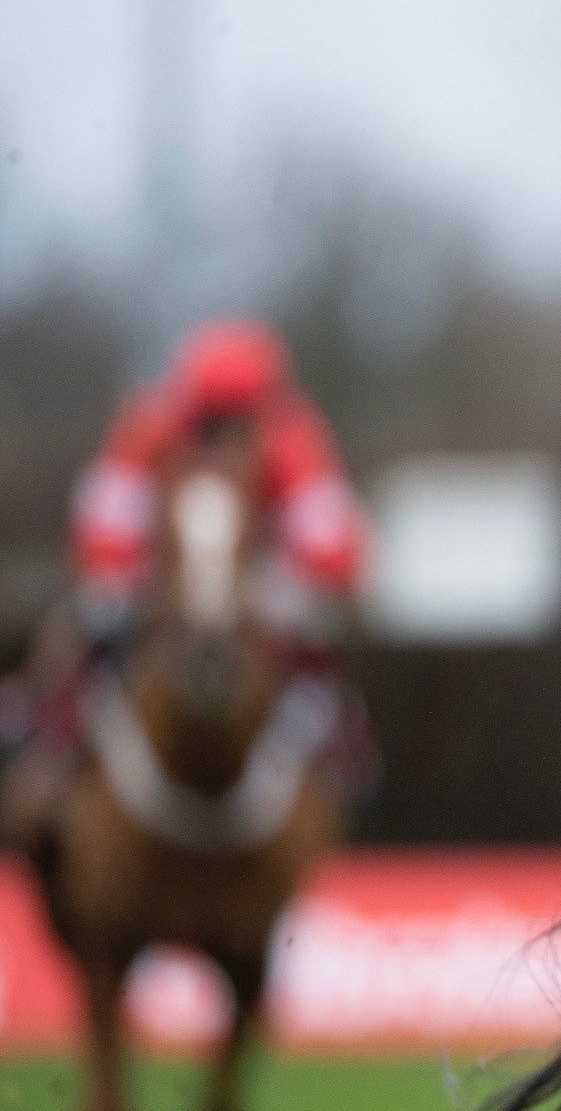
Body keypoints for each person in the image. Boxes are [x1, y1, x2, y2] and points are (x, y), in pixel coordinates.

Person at [1, 319, 367, 807]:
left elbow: (330, 540)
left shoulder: (296, 439)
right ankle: (49, 735)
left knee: (316, 643)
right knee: (82, 628)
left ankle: (334, 743)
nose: (226, 437)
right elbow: (105, 520)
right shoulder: (149, 427)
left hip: (253, 582)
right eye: (214, 420)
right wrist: (133, 584)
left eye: (239, 421)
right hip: (159, 580)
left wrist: (278, 589)